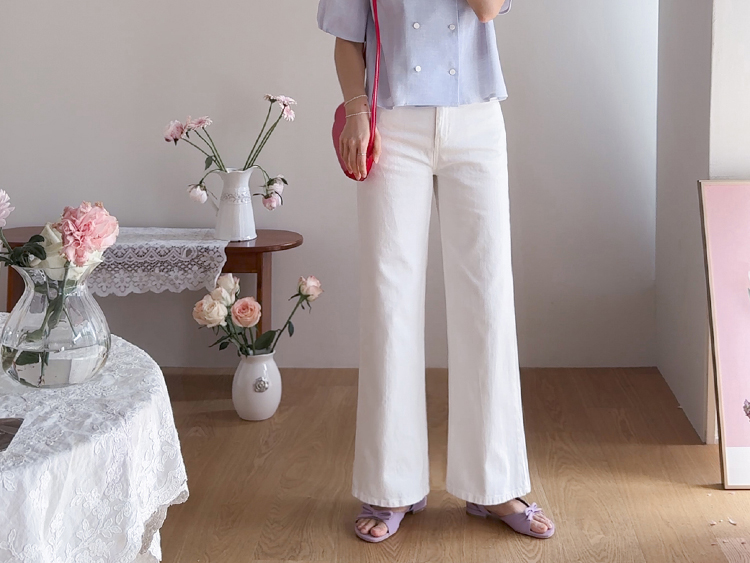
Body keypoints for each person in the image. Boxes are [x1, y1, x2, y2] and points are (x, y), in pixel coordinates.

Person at [317, 0, 556, 543]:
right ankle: (390, 485)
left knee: (487, 299)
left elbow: (487, 9)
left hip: (476, 121)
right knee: (390, 300)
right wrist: (356, 112)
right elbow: (346, 37)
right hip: (391, 121)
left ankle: (495, 484)